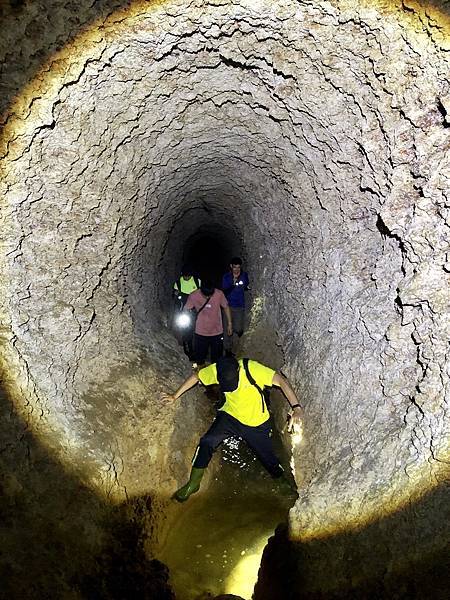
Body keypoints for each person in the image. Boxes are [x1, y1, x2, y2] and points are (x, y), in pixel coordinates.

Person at [161, 355, 303, 502]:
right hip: (230, 416)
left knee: (268, 459)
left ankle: (281, 482)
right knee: (207, 442)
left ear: (238, 370)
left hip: (256, 423)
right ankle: (193, 483)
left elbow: (280, 380)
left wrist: (296, 407)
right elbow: (196, 377)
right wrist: (174, 396)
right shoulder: (218, 369)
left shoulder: (251, 369)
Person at [184, 280, 233, 367]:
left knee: (217, 359)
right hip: (200, 332)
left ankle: (215, 376)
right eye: (205, 295)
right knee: (199, 358)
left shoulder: (219, 294)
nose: (207, 297)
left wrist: (229, 323)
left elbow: (226, 307)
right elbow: (186, 309)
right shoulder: (193, 295)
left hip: (217, 332)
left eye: (209, 295)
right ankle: (200, 376)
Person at [221, 257, 250, 356]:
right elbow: (224, 290)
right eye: (234, 267)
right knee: (227, 329)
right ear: (231, 267)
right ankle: (227, 351)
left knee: (238, 329)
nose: (236, 269)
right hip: (227, 306)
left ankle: (236, 345)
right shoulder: (226, 277)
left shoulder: (244, 276)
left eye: (238, 267)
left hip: (239, 306)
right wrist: (233, 283)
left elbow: (246, 285)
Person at [172, 265, 201, 360]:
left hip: (194, 311)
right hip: (183, 311)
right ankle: (187, 350)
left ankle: (195, 351)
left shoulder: (197, 282)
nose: (186, 277)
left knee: (194, 331)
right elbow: (175, 297)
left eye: (188, 276)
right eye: (185, 276)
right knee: (185, 330)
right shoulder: (178, 283)